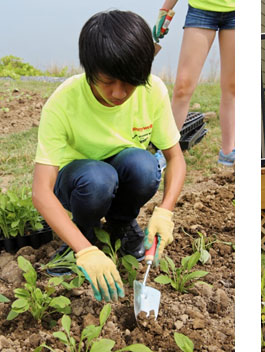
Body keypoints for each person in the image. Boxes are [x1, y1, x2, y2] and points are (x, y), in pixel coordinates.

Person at [32, 10, 186, 302]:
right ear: (90, 70)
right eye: (108, 81)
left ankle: (120, 226)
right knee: (98, 178)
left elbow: (175, 158)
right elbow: (41, 191)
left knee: (144, 165)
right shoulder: (63, 102)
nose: (118, 93)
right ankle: (83, 235)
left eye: (130, 82)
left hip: (123, 173)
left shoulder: (153, 92)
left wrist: (166, 211)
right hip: (78, 182)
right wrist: (85, 250)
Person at [153, 0, 235, 166]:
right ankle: (167, 150)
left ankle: (228, 152)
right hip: (201, 9)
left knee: (232, 86)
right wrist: (165, 9)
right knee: (183, 86)